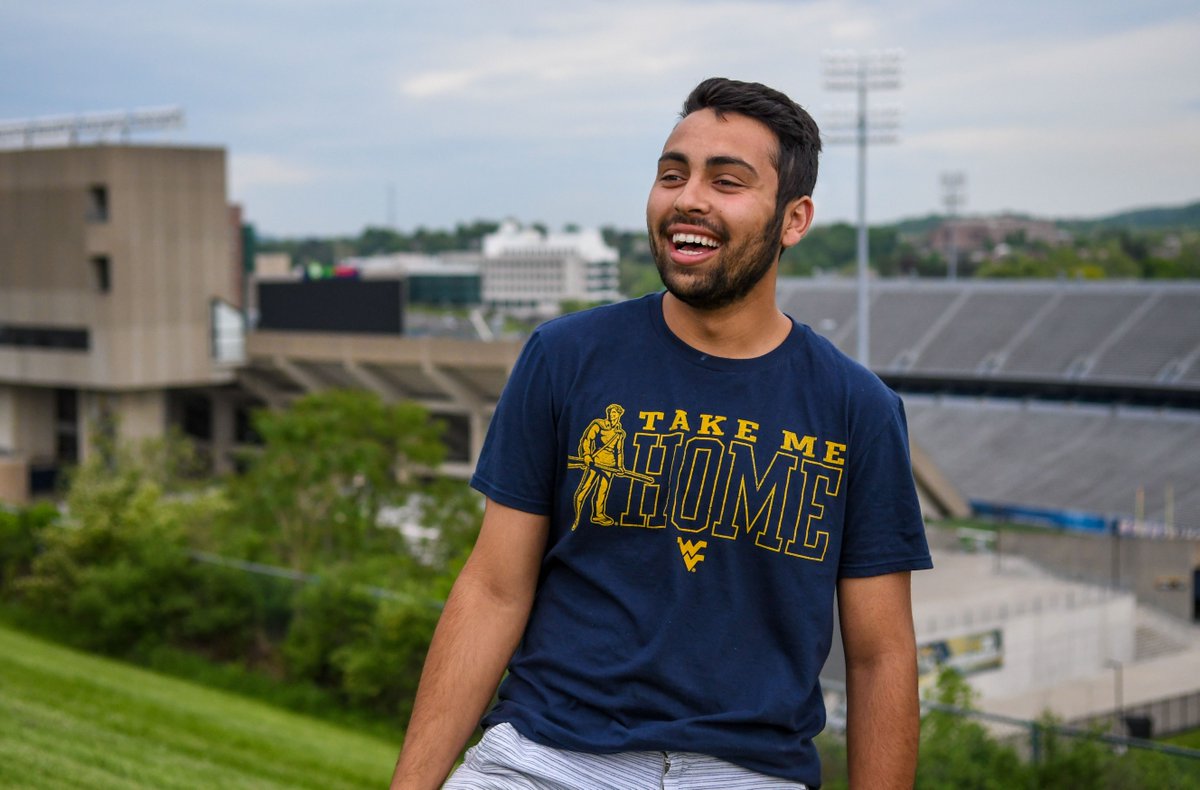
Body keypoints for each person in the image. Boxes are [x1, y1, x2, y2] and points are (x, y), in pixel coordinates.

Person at [391, 76, 932, 790]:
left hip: (745, 773)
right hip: (545, 756)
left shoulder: (856, 408)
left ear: (793, 219)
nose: (688, 199)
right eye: (672, 174)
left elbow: (880, 656)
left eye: (726, 180)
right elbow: (493, 591)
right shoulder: (565, 357)